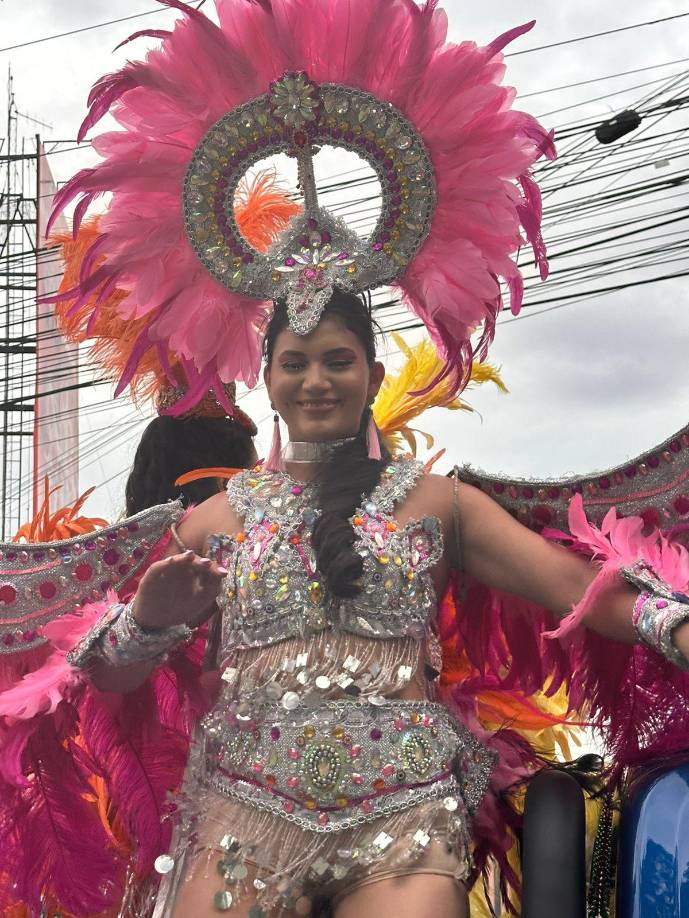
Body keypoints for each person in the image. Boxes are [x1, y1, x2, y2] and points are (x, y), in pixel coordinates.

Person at [4, 3, 689, 917]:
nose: (316, 380)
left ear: (369, 372)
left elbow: (574, 588)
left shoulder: (437, 505)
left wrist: (671, 627)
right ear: (269, 379)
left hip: (401, 818)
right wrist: (150, 624)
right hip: (243, 813)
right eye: (296, 363)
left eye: (337, 362)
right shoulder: (217, 519)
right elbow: (106, 675)